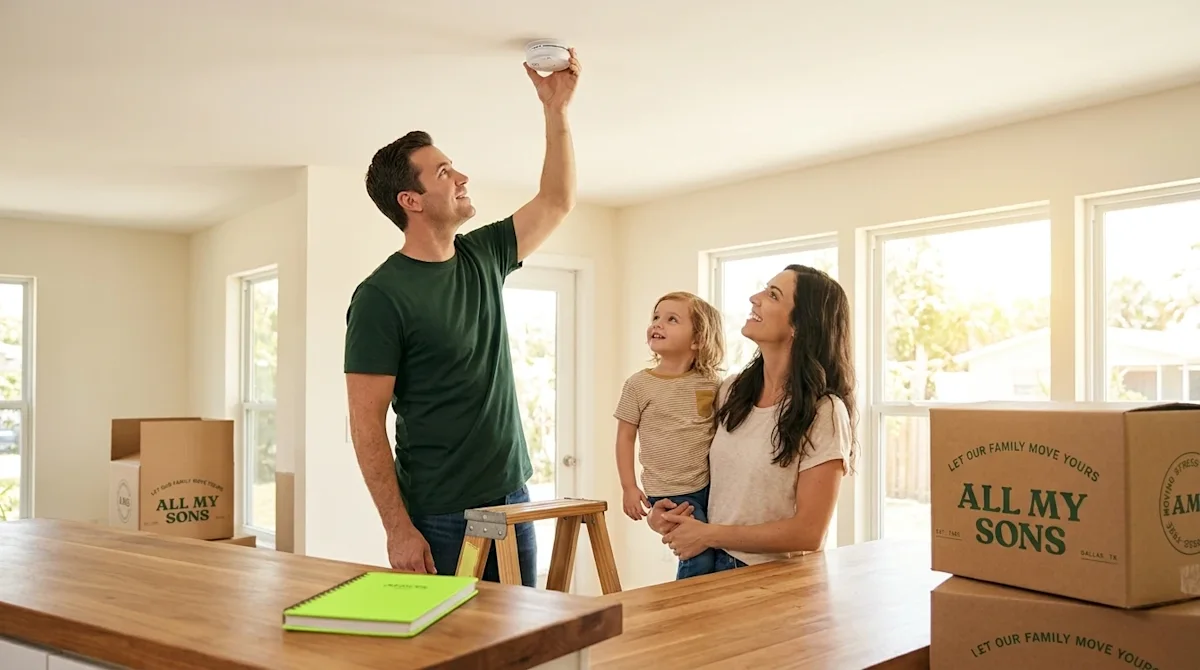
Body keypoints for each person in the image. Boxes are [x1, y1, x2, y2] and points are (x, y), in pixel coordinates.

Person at [342, 50, 582, 587]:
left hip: (512, 497)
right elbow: (365, 426)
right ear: (412, 200)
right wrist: (398, 528)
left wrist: (556, 109)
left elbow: (558, 199)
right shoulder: (381, 296)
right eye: (444, 171)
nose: (462, 176)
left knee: (520, 643)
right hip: (441, 517)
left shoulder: (484, 254)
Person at [646, 264, 858, 572]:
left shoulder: (824, 411)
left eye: (772, 295)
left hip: (767, 579)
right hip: (708, 564)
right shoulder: (732, 391)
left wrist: (709, 535)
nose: (754, 298)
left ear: (799, 324)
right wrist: (664, 512)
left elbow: (809, 532)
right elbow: (705, 481)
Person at [614, 291, 725, 580]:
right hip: (671, 490)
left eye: (671, 319)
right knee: (696, 555)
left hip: (709, 485)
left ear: (697, 340)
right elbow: (625, 437)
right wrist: (628, 486)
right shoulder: (639, 385)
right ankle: (684, 613)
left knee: (717, 554)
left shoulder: (711, 383)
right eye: (656, 317)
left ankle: (704, 613)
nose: (658, 324)